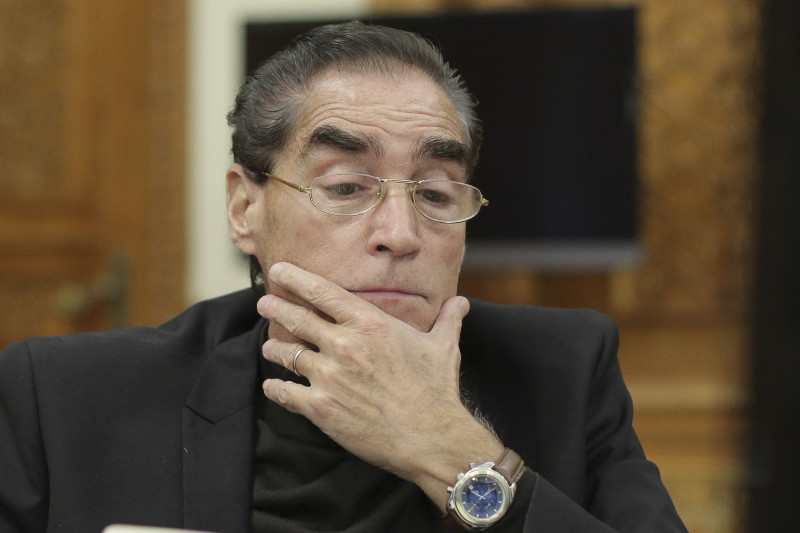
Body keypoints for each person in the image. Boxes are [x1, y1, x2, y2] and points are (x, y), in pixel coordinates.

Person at [0, 21, 687, 532]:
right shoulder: (65, 399)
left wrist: (454, 453)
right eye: (347, 187)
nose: (401, 233)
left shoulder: (564, 372)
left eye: (436, 193)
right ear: (244, 208)